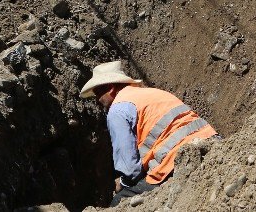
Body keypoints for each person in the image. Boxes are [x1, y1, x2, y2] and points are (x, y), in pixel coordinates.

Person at [80, 61, 217, 206]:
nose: (97, 100)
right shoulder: (152, 93)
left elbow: (130, 170)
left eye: (98, 93)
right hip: (212, 141)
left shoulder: (117, 110)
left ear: (111, 88)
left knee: (119, 203)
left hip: (176, 160)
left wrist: (122, 182)